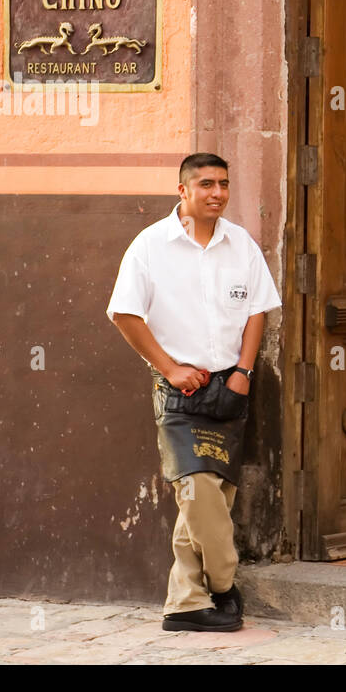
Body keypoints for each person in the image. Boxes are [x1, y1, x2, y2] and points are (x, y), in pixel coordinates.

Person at [107, 153, 280, 632]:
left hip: (230, 388)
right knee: (199, 489)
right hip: (181, 393)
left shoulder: (240, 244)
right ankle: (224, 584)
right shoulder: (150, 246)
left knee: (213, 497)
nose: (217, 193)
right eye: (206, 184)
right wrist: (169, 368)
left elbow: (258, 311)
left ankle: (185, 604)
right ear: (182, 190)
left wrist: (244, 371)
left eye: (224, 183)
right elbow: (124, 313)